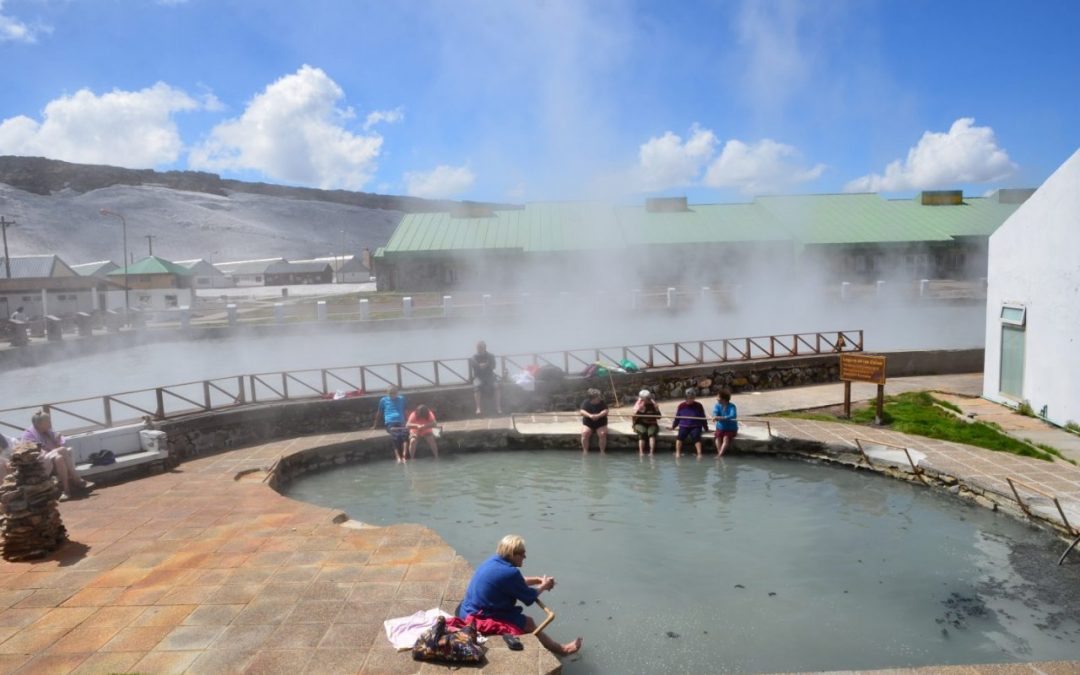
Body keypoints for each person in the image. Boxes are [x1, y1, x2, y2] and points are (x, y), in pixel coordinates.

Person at [457, 534, 583, 656]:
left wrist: (538, 580)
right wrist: (544, 586)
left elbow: (516, 581)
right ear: (513, 554)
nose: (525, 556)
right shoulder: (510, 573)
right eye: (522, 553)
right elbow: (529, 598)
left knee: (522, 619)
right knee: (529, 623)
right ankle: (563, 650)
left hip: (466, 609)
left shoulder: (494, 561)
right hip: (477, 617)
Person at [21, 411, 91, 499]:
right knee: (62, 450)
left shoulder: (48, 432)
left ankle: (66, 491)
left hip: (53, 461)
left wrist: (57, 440)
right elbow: (37, 453)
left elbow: (57, 445)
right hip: (40, 464)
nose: (50, 423)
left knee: (59, 458)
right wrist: (55, 448)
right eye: (48, 422)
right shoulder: (28, 435)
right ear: (40, 424)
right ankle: (77, 479)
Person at [373, 385, 409, 463]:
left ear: (397, 392)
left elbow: (405, 411)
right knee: (395, 436)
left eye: (394, 393)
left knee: (404, 435)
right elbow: (379, 412)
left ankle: (404, 455)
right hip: (390, 422)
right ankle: (398, 457)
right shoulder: (383, 400)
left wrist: (408, 421)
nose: (393, 395)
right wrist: (375, 425)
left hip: (401, 421)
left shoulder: (402, 399)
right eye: (391, 393)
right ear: (388, 393)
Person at [671, 388, 708, 457]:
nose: (691, 399)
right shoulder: (681, 406)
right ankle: (678, 453)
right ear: (686, 398)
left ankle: (699, 454)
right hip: (684, 425)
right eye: (689, 398)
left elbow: (703, 418)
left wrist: (706, 428)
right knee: (680, 437)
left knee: (696, 437)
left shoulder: (699, 405)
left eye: (692, 397)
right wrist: (673, 426)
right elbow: (677, 418)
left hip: (696, 425)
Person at [469, 341, 503, 415]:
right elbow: (476, 367)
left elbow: (493, 366)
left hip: (490, 376)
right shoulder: (474, 357)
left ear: (485, 348)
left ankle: (498, 407)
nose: (479, 349)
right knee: (477, 387)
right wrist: (486, 364)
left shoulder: (491, 356)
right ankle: (478, 408)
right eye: (478, 347)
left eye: (480, 347)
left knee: (496, 386)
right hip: (478, 377)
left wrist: (485, 365)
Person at [631, 389, 661, 456]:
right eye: (647, 399)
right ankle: (641, 452)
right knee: (643, 433)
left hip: (652, 423)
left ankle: (651, 452)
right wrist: (639, 411)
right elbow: (633, 418)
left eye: (649, 398)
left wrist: (656, 410)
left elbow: (659, 417)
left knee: (651, 433)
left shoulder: (653, 404)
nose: (649, 400)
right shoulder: (639, 404)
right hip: (640, 423)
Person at [579, 388, 608, 453]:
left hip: (600, 423)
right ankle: (585, 451)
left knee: (602, 434)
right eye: (598, 397)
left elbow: (606, 411)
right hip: (588, 423)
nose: (599, 398)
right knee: (585, 433)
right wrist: (590, 415)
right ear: (593, 398)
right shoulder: (586, 402)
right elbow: (582, 411)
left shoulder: (602, 402)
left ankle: (602, 452)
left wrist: (598, 415)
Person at [712, 390, 738, 457]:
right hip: (720, 427)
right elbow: (715, 412)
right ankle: (719, 453)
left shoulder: (732, 406)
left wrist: (722, 418)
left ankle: (720, 454)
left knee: (725, 438)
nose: (716, 399)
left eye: (718, 397)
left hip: (730, 428)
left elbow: (733, 415)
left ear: (723, 399)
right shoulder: (717, 405)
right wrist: (715, 416)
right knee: (717, 437)